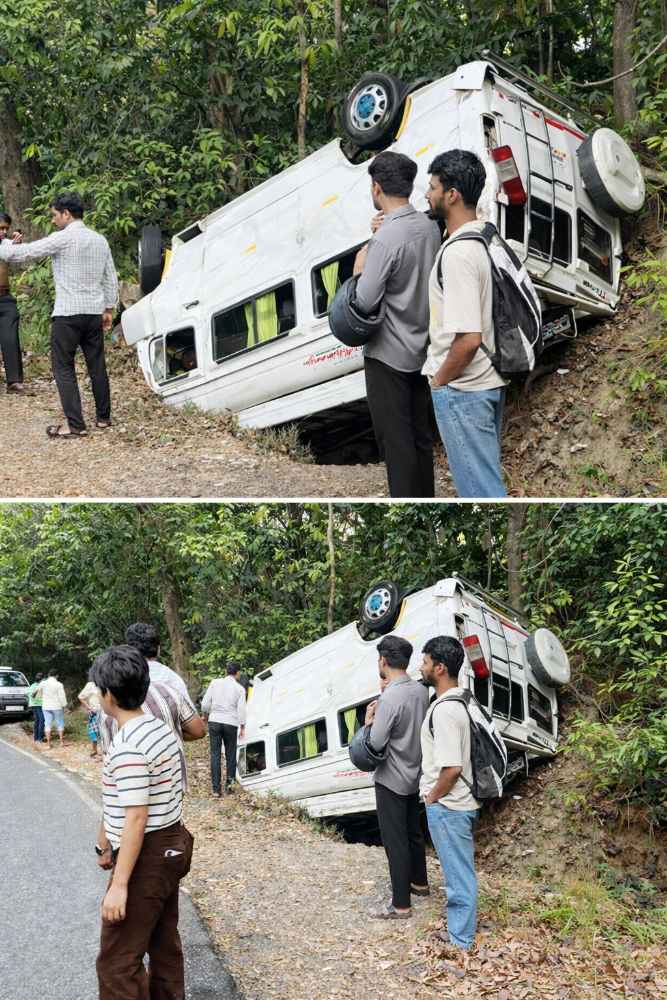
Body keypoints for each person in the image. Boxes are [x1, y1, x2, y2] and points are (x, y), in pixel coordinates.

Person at [90, 644, 194, 1000]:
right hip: (170, 846)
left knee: (117, 962)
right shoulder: (159, 730)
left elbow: (136, 817)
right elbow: (123, 802)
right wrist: (104, 841)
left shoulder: (127, 746)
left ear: (108, 695)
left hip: (145, 856)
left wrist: (120, 885)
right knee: (163, 944)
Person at [353, 150, 441, 498]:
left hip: (387, 356)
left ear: (377, 189)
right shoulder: (428, 226)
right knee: (420, 439)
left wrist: (361, 264)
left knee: (397, 445)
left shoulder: (386, 239)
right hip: (422, 350)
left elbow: (365, 300)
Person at [424, 149, 508, 498]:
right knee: (485, 480)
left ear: (452, 194)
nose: (427, 195)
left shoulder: (458, 254)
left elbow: (469, 339)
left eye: (432, 188)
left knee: (480, 489)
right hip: (489, 381)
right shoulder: (486, 237)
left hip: (464, 390)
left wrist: (440, 383)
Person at [0, 191, 118, 438]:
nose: (53, 220)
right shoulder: (100, 240)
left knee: (63, 368)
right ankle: (103, 418)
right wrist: (108, 308)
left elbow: (21, 254)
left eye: (55, 215)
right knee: (97, 365)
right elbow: (110, 277)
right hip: (93, 312)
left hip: (67, 314)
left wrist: (5, 244)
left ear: (66, 214)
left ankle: (75, 425)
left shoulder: (62, 238)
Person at [420, 635, 481, 962]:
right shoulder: (463, 701)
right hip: (459, 805)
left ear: (439, 668)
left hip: (449, 806)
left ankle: (461, 943)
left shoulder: (444, 711)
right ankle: (462, 933)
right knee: (460, 872)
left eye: (426, 661)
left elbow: (452, 768)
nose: (421, 666)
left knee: (458, 877)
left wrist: (431, 797)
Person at [365, 635, 430, 919]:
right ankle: (420, 883)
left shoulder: (390, 696)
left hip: (391, 777)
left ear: (383, 661)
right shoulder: (420, 690)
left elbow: (377, 742)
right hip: (415, 772)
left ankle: (401, 904)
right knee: (414, 832)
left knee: (395, 840)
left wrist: (369, 723)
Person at [201, 661, 247, 796]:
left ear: (226, 671)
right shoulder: (240, 689)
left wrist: (205, 716)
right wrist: (242, 726)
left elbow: (204, 704)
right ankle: (230, 787)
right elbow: (242, 711)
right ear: (237, 673)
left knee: (215, 754)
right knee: (230, 755)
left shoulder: (215, 683)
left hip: (214, 721)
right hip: (231, 723)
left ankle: (216, 790)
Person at [124, 622, 192, 704]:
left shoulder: (120, 677)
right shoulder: (172, 678)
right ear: (158, 649)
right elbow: (190, 711)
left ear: (128, 649)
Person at [0, 213, 27, 394]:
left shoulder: (6, 244)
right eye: (0, 228)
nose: (3, 232)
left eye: (5, 229)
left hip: (5, 297)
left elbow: (19, 255)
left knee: (10, 337)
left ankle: (14, 381)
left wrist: (17, 245)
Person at [38, 669, 68, 748]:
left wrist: (43, 698)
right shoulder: (59, 684)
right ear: (57, 675)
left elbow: (39, 692)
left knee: (47, 724)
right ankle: (61, 742)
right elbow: (62, 697)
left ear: (48, 675)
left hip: (46, 706)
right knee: (60, 723)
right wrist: (64, 706)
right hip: (57, 706)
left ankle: (48, 744)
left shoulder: (43, 683)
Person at [78, 678, 103, 758]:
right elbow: (80, 697)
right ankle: (94, 750)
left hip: (105, 712)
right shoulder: (90, 685)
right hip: (95, 712)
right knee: (94, 732)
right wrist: (88, 707)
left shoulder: (106, 682)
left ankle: (104, 752)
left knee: (103, 732)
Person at [28, 672, 45, 742]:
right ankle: (40, 738)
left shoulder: (32, 685)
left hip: (34, 705)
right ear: (42, 679)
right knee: (41, 720)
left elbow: (29, 695)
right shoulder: (42, 686)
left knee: (37, 720)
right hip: (40, 705)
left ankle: (35, 738)